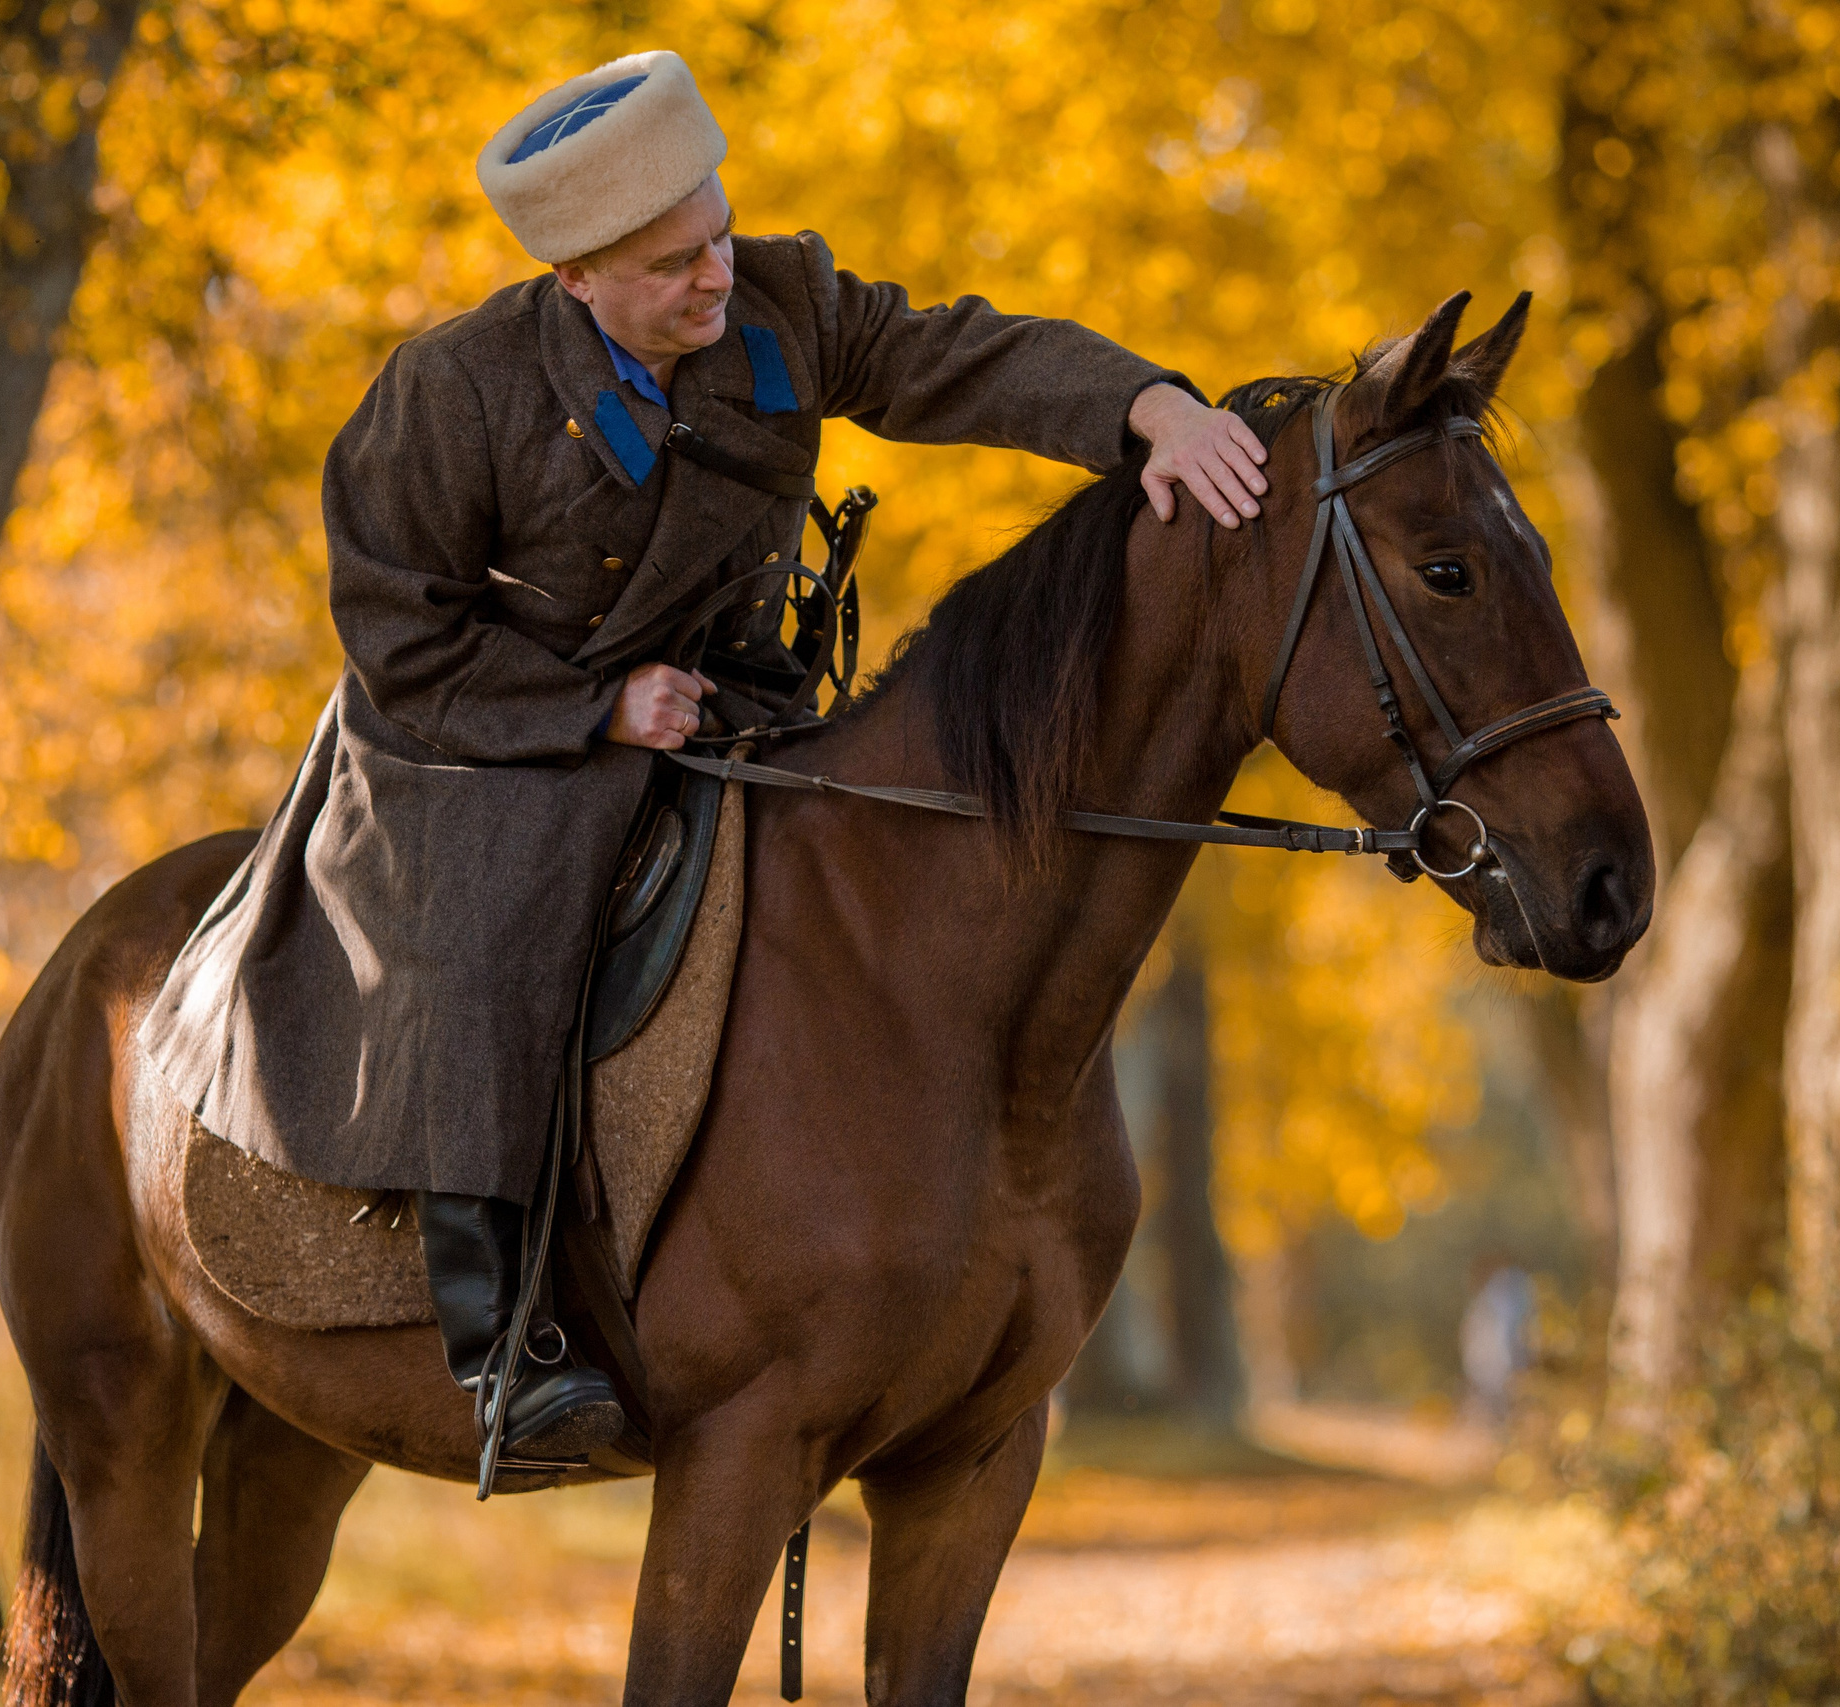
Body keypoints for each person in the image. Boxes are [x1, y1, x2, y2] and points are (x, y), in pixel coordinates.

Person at [141, 49, 1272, 1464]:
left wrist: (1146, 410)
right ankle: (505, 1343)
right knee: (507, 924)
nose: (715, 275)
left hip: (734, 704)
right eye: (676, 263)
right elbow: (395, 632)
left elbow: (951, 355)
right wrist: (596, 713)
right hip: (476, 733)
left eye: (719, 232)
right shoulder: (446, 393)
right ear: (578, 280)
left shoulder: (780, 300)